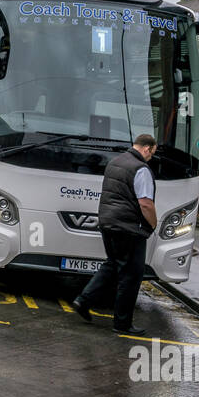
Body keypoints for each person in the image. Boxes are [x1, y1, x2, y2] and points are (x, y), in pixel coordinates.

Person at [72, 133, 158, 335]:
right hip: (128, 227)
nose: (151, 157)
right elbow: (145, 203)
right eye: (152, 153)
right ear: (147, 148)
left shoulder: (115, 161)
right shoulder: (141, 169)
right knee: (131, 275)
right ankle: (122, 324)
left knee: (112, 264)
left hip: (108, 222)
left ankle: (83, 300)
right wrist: (153, 225)